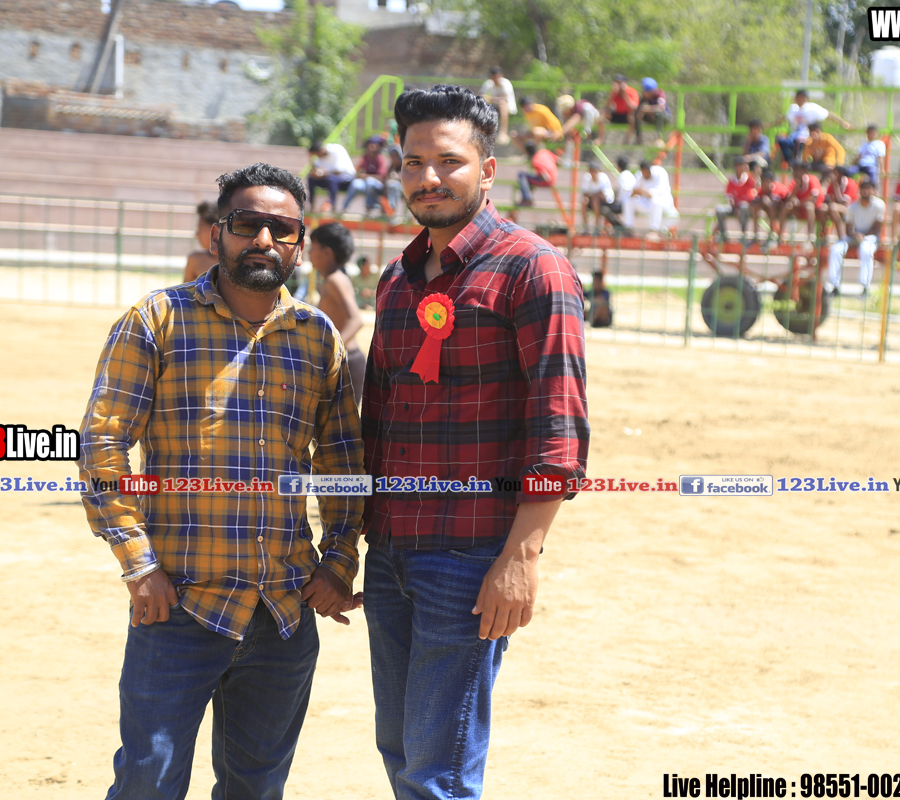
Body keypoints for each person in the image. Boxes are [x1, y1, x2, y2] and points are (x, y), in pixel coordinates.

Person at [78, 163, 364, 800]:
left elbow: (343, 462)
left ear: (299, 245)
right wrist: (138, 565)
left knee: (255, 789)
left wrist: (339, 561)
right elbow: (102, 444)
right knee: (147, 785)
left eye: (282, 229)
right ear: (217, 235)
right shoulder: (157, 321)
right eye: (247, 224)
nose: (264, 239)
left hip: (284, 613)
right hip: (179, 606)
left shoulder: (317, 337)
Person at [361, 84, 589, 800]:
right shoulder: (397, 280)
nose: (428, 177)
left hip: (469, 557)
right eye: (413, 162)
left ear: (487, 170)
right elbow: (379, 419)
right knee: (402, 749)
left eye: (448, 162)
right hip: (391, 553)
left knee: (438, 770)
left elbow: (559, 425)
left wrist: (522, 556)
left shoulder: (531, 268)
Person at [311, 221, 367, 400]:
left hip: (346, 361)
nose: (309, 253)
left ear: (327, 253)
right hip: (346, 360)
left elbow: (356, 320)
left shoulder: (334, 280)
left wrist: (331, 352)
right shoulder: (334, 279)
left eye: (313, 247)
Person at [827, 179, 885, 296]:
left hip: (870, 238)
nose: (865, 191)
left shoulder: (879, 205)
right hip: (854, 238)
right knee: (835, 249)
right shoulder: (853, 207)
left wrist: (863, 236)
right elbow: (849, 229)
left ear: (873, 191)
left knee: (866, 250)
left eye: (868, 188)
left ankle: (865, 286)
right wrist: (855, 235)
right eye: (863, 188)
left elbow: (877, 228)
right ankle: (835, 285)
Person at [775, 89, 852, 164]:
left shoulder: (812, 108)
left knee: (798, 142)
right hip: (794, 136)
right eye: (797, 98)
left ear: (805, 98)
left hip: (807, 136)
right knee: (782, 141)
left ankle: (798, 162)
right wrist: (770, 124)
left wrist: (843, 123)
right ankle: (790, 162)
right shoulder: (793, 109)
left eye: (801, 98)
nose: (799, 100)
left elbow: (828, 115)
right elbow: (783, 118)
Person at [773, 161, 822, 246]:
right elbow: (789, 199)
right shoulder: (794, 182)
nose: (794, 172)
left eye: (797, 170)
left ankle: (810, 237)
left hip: (814, 210)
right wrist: (796, 187)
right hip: (798, 210)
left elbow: (814, 199)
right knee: (787, 206)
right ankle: (780, 236)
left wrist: (799, 203)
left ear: (804, 171)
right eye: (794, 170)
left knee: (809, 206)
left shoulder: (812, 180)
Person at [623, 159, 678, 233]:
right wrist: (634, 192)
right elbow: (633, 192)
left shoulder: (661, 173)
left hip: (664, 203)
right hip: (647, 204)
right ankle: (628, 228)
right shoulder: (639, 175)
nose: (644, 174)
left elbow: (657, 193)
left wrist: (642, 191)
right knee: (628, 200)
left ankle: (654, 230)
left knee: (655, 201)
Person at [342, 135, 389, 217]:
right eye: (370, 145)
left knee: (370, 181)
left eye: (375, 145)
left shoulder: (381, 159)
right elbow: (355, 171)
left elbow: (381, 177)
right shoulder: (364, 158)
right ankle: (344, 208)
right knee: (356, 184)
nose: (372, 147)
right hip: (365, 183)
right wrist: (357, 172)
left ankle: (369, 208)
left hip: (377, 185)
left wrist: (365, 176)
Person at [715, 159, 758, 245]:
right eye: (741, 165)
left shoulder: (750, 179)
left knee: (743, 207)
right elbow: (729, 197)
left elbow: (753, 194)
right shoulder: (732, 181)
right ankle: (723, 235)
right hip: (735, 207)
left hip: (747, 208)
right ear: (736, 167)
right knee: (719, 210)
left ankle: (743, 235)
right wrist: (734, 207)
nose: (744, 167)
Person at [306, 139, 356, 213]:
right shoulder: (320, 157)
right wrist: (311, 159)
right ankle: (311, 206)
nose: (317, 156)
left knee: (331, 180)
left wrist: (321, 174)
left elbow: (338, 171)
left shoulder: (336, 149)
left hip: (346, 179)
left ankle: (331, 206)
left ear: (321, 150)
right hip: (329, 178)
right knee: (311, 179)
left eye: (317, 154)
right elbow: (315, 171)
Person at [752, 167, 789, 247]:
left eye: (765, 181)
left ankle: (775, 235)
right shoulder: (763, 189)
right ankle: (755, 235)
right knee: (757, 205)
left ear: (771, 181)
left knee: (767, 202)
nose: (763, 183)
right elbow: (755, 201)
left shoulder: (777, 188)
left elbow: (773, 204)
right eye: (762, 181)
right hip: (773, 212)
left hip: (785, 210)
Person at [183, 200, 219, 283]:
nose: (197, 234)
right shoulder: (196, 260)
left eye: (201, 229)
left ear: (216, 231)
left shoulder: (238, 263)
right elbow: (183, 290)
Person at [819, 166, 859, 240]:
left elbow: (843, 202)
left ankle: (841, 236)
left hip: (851, 209)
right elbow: (827, 198)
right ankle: (824, 235)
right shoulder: (832, 183)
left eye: (834, 172)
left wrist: (835, 186)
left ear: (841, 173)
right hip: (836, 208)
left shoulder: (850, 183)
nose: (832, 175)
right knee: (823, 208)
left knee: (833, 207)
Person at [479, 66, 516, 145]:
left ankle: (503, 133)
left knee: (502, 104)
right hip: (494, 107)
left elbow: (504, 99)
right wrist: (488, 99)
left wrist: (490, 99)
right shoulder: (489, 83)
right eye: (494, 77)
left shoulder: (506, 83)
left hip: (508, 108)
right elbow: (482, 95)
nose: (496, 79)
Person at [517, 139, 558, 207]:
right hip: (554, 178)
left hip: (548, 181)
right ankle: (527, 197)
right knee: (529, 179)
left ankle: (527, 199)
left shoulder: (535, 160)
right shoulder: (544, 152)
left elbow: (546, 177)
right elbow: (558, 161)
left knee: (522, 175)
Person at [579, 158, 615, 231]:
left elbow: (601, 194)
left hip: (605, 201)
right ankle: (585, 226)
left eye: (594, 171)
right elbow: (585, 193)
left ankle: (597, 226)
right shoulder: (587, 177)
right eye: (591, 171)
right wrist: (591, 196)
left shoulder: (603, 177)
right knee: (584, 201)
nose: (593, 173)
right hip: (592, 200)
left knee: (595, 200)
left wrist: (592, 195)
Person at [603, 75, 639, 144]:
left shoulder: (632, 91)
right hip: (617, 114)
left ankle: (626, 140)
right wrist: (613, 94)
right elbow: (607, 106)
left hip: (627, 115)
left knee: (632, 118)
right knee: (602, 116)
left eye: (620, 83)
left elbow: (633, 107)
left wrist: (624, 94)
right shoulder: (614, 92)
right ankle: (601, 139)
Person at [634, 77, 671, 145]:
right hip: (653, 118)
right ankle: (638, 138)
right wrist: (640, 112)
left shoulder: (660, 94)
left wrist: (647, 109)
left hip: (664, 118)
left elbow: (661, 108)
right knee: (636, 113)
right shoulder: (645, 97)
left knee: (658, 113)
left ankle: (659, 138)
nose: (643, 92)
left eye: (645, 90)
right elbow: (640, 107)